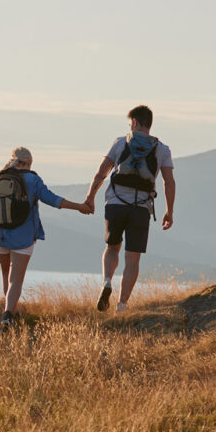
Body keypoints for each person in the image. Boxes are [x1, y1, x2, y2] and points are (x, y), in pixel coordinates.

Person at [0, 147, 93, 327]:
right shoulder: (33, 179)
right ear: (29, 163)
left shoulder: (0, 178)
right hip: (22, 237)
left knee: (6, 275)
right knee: (16, 280)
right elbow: (52, 200)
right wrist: (79, 207)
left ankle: (14, 314)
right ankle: (8, 315)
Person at [83, 105, 176, 312]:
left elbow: (101, 173)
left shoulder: (120, 142)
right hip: (141, 208)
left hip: (115, 204)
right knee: (132, 259)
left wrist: (90, 197)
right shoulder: (163, 150)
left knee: (112, 247)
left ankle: (107, 281)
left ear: (134, 122)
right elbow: (169, 182)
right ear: (149, 124)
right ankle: (122, 305)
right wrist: (169, 211)